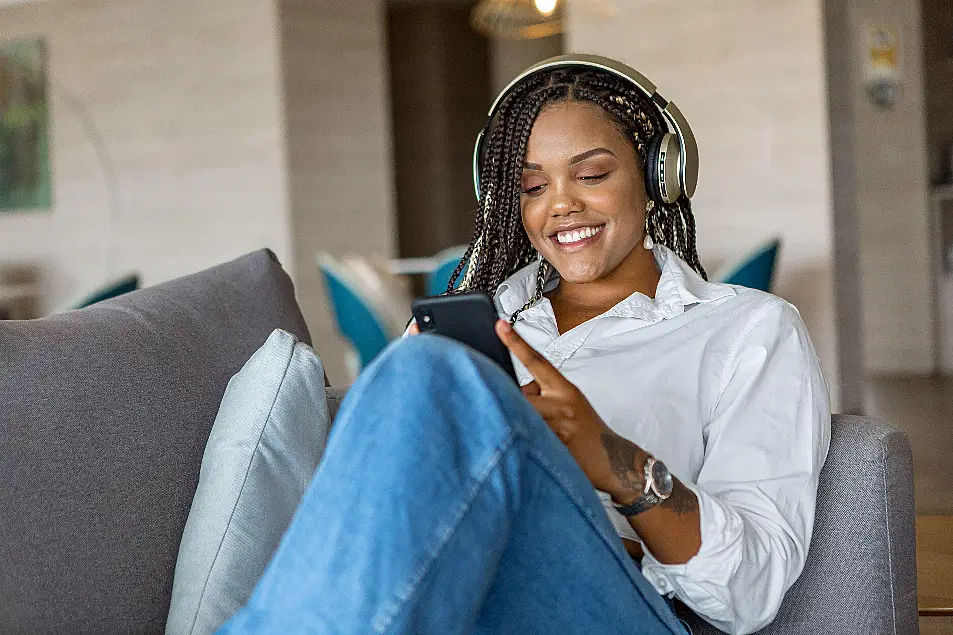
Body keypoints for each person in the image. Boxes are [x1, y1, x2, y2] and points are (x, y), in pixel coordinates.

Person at [218, 55, 830, 635]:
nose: (561, 204)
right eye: (532, 187)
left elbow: (753, 589)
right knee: (415, 376)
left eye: (591, 174)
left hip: (625, 607)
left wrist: (608, 454)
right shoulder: (487, 322)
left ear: (656, 178)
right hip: (460, 592)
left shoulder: (749, 329)